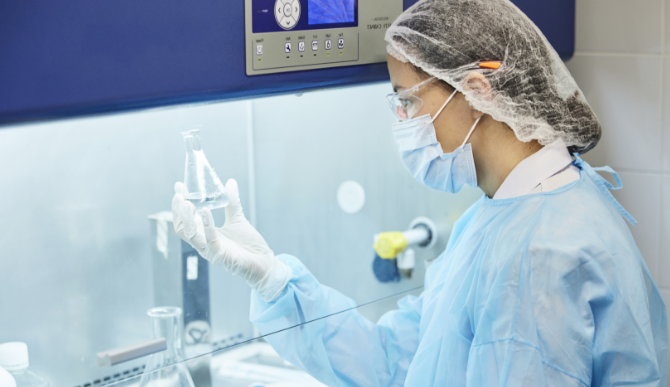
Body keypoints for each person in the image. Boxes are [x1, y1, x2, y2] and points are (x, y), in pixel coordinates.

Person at [172, 0, 668, 385]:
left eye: (408, 101)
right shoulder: (507, 216)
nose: (403, 122)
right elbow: (399, 360)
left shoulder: (538, 255)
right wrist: (276, 282)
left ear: (478, 91)